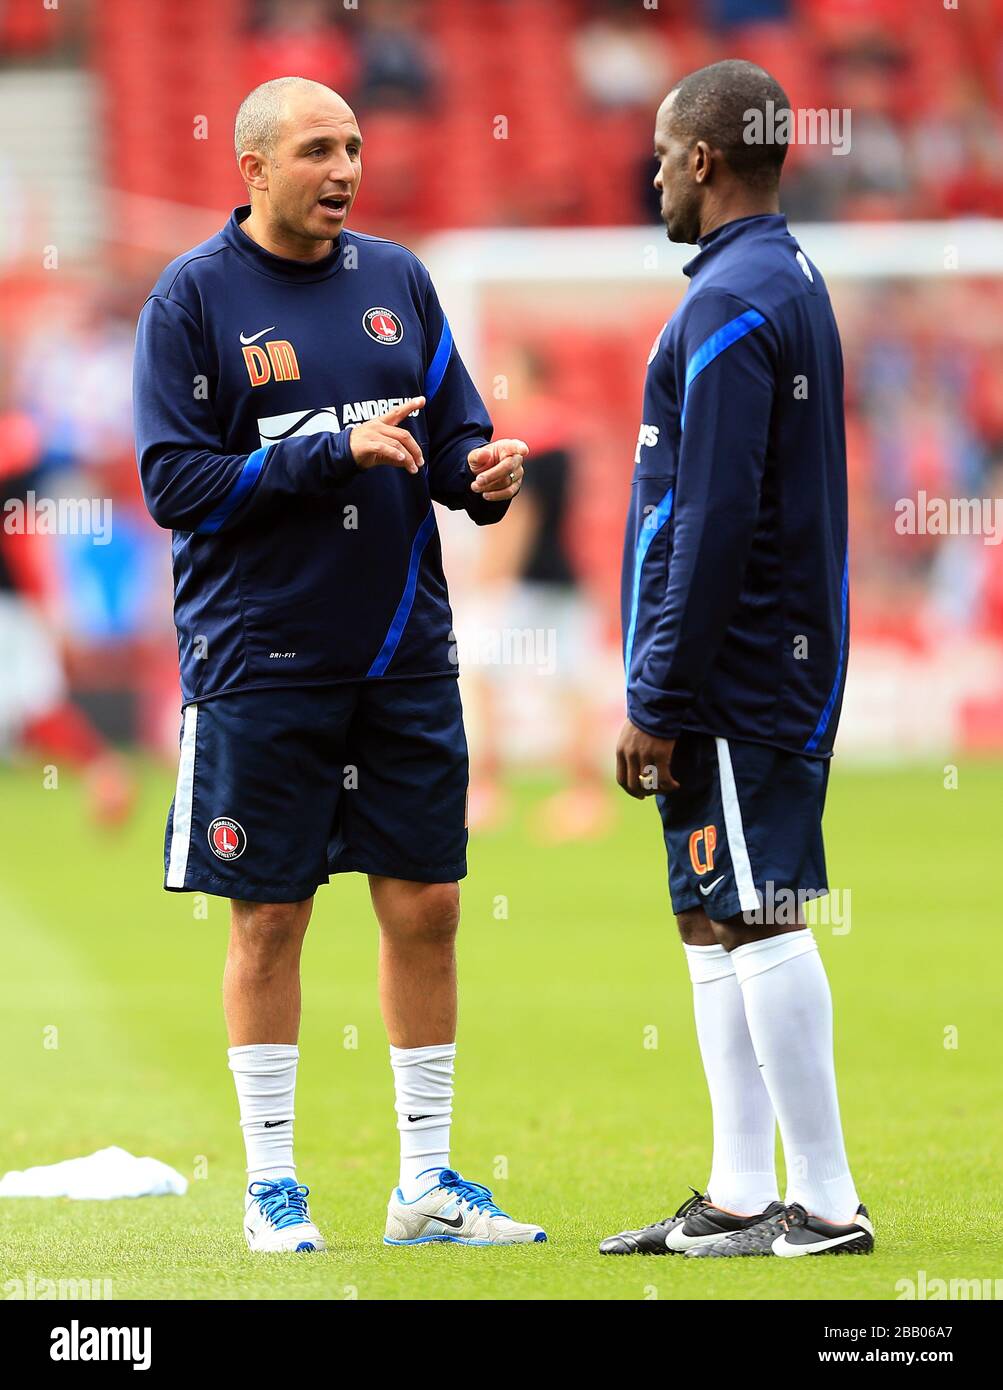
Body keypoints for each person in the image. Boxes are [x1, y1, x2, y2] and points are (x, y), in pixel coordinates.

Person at [133, 76, 545, 1251]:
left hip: (403, 650)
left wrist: (478, 470)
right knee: (269, 916)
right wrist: (327, 451)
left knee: (430, 902)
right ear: (253, 168)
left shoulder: (398, 281)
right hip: (260, 657)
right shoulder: (193, 300)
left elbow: (448, 430)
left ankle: (426, 1181)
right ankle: (273, 1181)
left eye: (354, 146)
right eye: (318, 148)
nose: (345, 167)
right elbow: (174, 484)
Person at [602, 60, 872, 1258]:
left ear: (704, 159)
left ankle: (822, 1204)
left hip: (739, 668)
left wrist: (658, 691)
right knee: (711, 915)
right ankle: (737, 1190)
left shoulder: (729, 301)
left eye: (664, 153)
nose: (654, 172)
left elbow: (713, 515)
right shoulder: (778, 276)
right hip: (747, 658)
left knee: (760, 911)